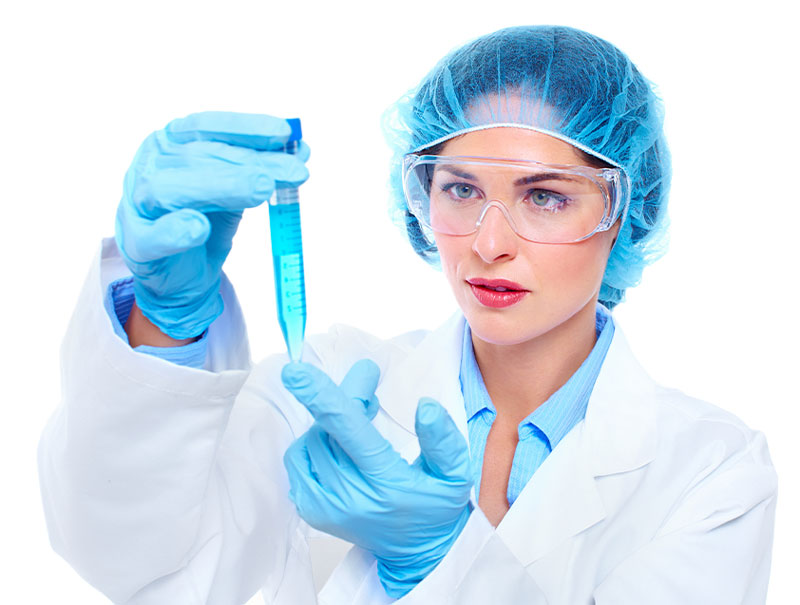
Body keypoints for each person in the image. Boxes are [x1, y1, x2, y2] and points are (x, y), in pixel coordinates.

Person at [38, 25, 777, 604]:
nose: (489, 244)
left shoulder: (709, 473)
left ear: (622, 214)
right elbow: (151, 571)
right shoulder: (331, 383)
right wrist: (168, 324)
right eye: (459, 189)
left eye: (544, 196)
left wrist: (432, 562)